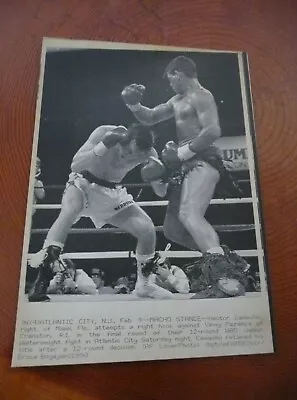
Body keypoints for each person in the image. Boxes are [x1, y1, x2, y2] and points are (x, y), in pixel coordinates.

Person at [121, 56, 249, 297]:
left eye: (170, 79)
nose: (170, 84)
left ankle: (223, 279)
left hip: (201, 158)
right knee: (173, 229)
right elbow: (150, 116)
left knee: (190, 214)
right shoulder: (177, 100)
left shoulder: (202, 96)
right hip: (185, 164)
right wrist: (134, 105)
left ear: (178, 73)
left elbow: (213, 131)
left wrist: (180, 153)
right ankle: (227, 265)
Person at [28, 123, 172, 302]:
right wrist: (103, 145)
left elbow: (160, 192)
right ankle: (42, 280)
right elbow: (75, 165)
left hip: (112, 193)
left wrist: (164, 175)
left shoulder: (150, 155)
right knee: (70, 210)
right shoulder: (105, 133)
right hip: (83, 184)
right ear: (123, 141)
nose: (127, 158)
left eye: (134, 157)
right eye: (126, 152)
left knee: (147, 229)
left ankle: (144, 285)